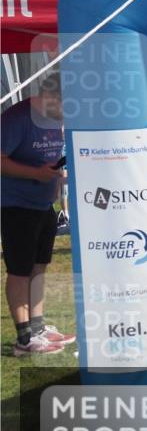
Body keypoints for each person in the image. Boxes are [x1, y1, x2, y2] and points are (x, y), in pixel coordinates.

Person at [1, 77, 75, 356]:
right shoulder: (17, 118)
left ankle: (38, 327)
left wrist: (55, 177)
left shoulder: (54, 118)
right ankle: (24, 339)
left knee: (39, 267)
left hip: (43, 205)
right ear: (50, 96)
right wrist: (36, 174)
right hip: (16, 206)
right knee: (19, 271)